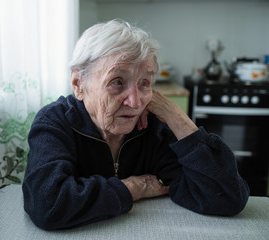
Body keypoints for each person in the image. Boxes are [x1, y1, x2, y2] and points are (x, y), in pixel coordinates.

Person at [22, 19, 249, 230]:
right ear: (78, 83)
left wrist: (175, 116)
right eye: (117, 82)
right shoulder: (55, 122)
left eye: (144, 83)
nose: (136, 101)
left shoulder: (153, 128)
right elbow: (48, 204)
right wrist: (132, 188)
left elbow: (227, 197)